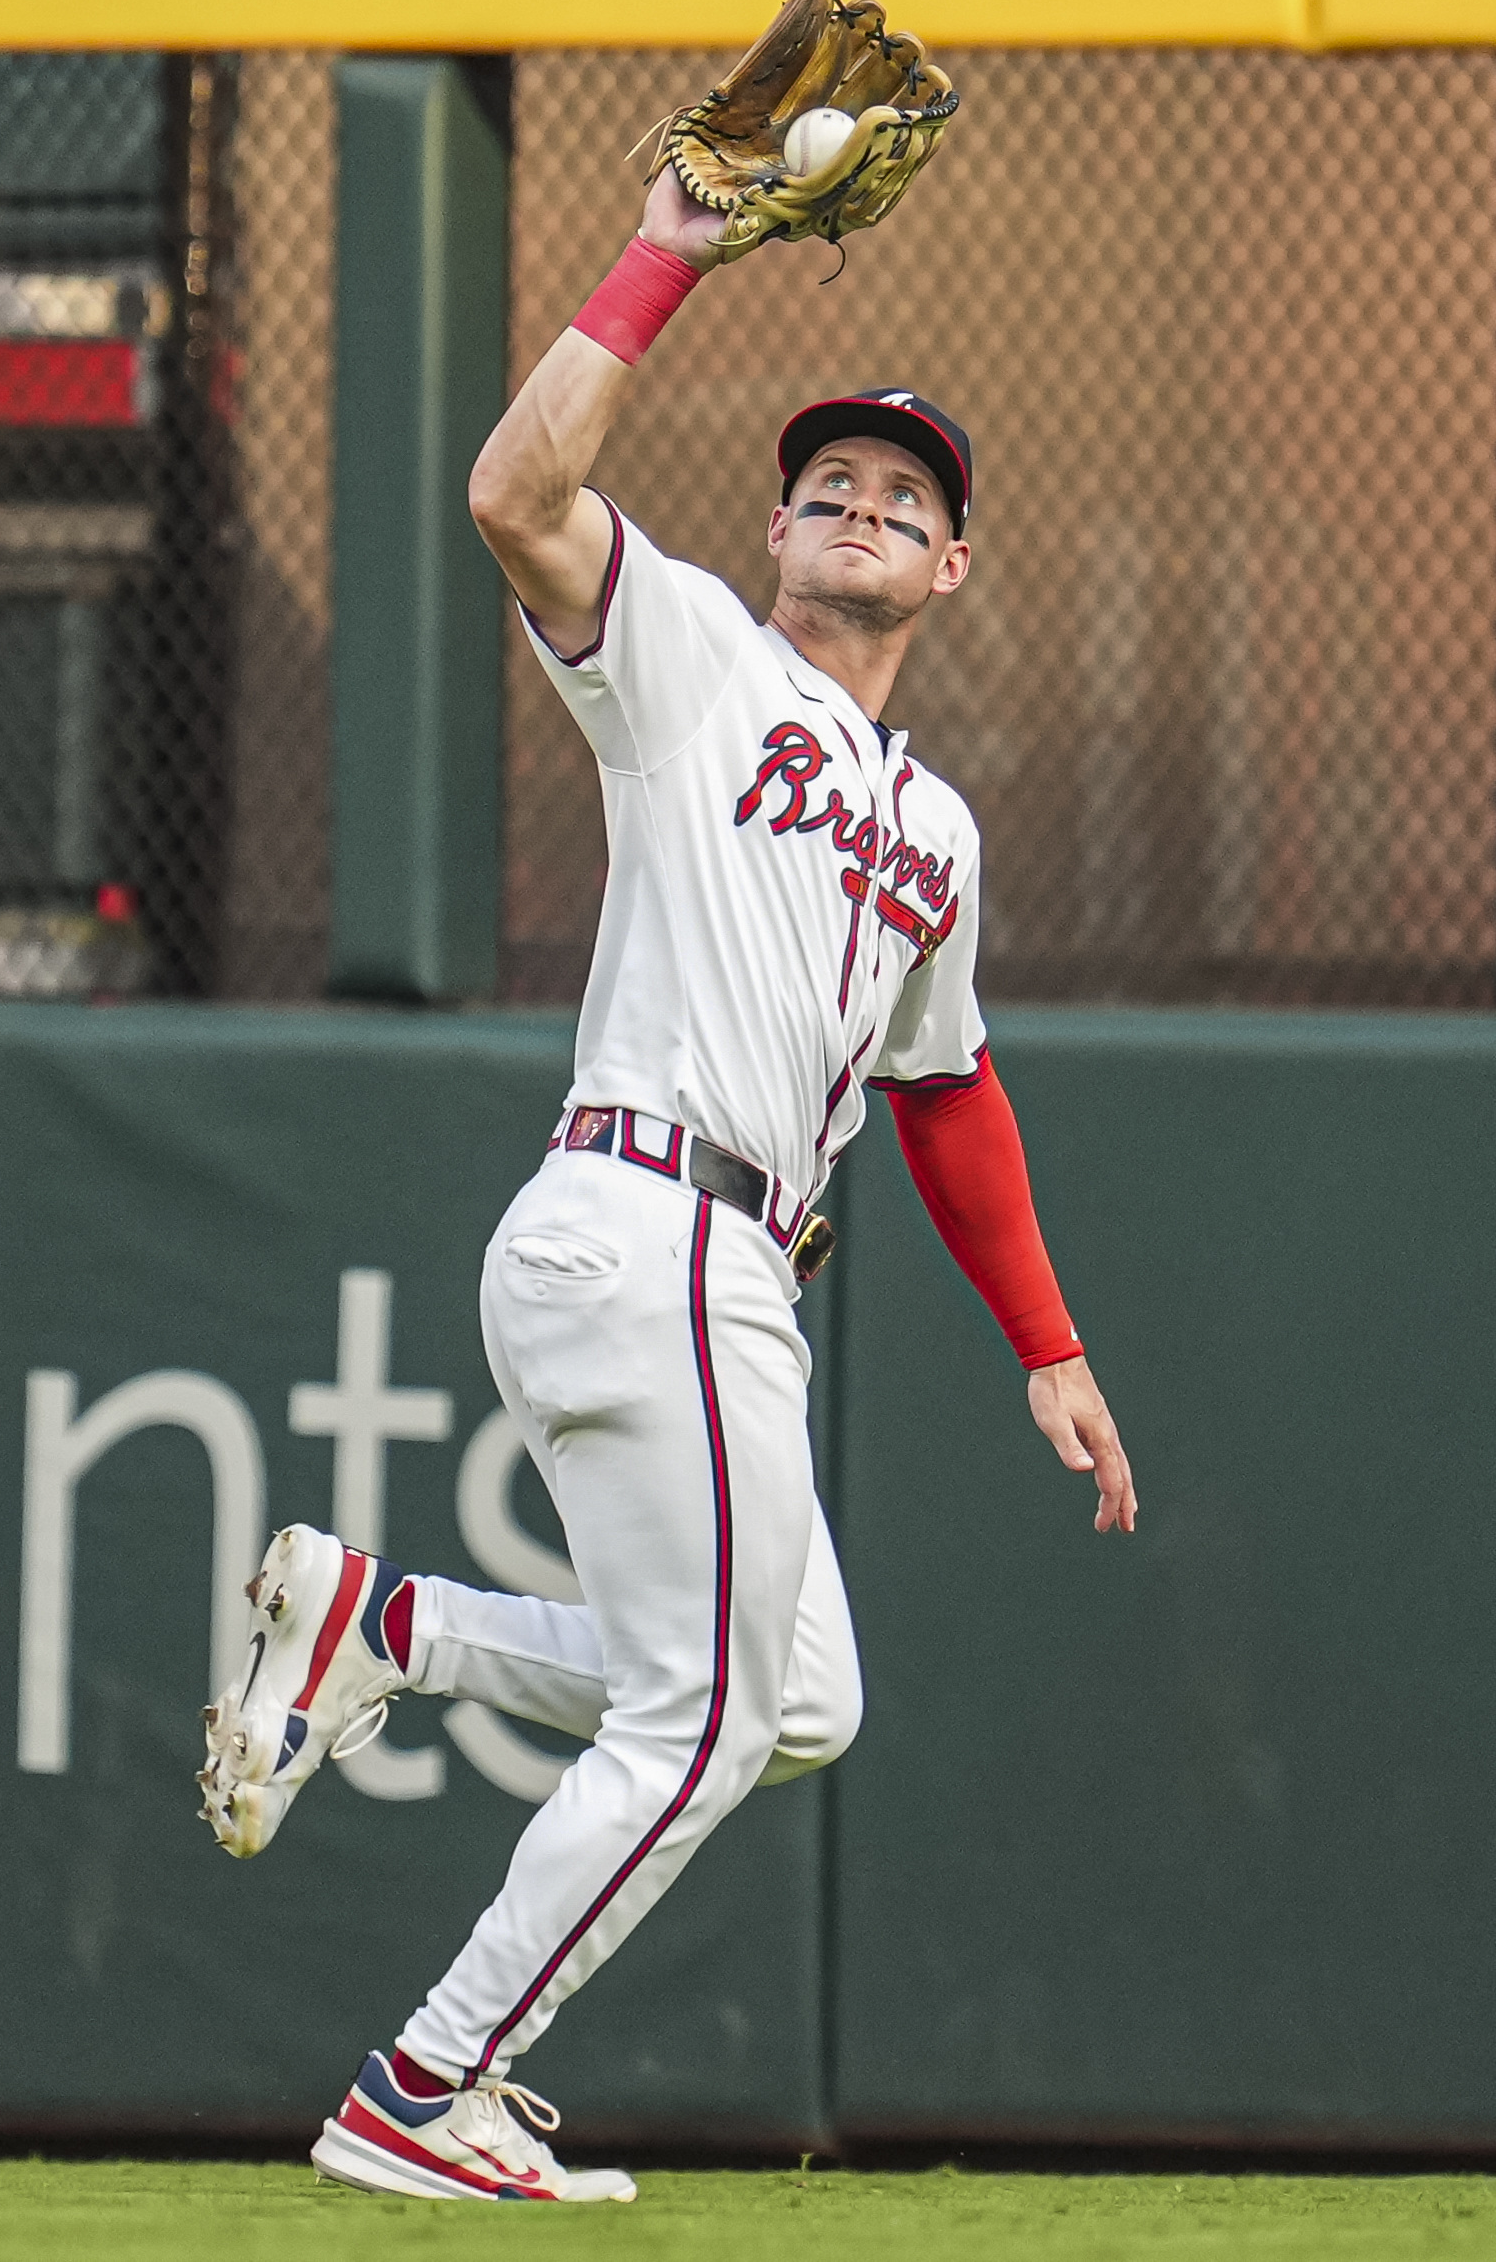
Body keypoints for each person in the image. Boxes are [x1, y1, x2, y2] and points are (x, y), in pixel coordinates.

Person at [198, 165, 1137, 2207]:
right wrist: (672, 254)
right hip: (648, 1221)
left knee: (797, 1694)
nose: (864, 505)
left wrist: (1047, 1345)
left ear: (955, 566)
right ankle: (428, 2080)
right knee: (706, 1721)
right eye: (831, 483)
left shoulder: (938, 829)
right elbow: (516, 497)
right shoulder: (697, 657)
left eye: (906, 495)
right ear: (778, 528)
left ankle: (389, 1619)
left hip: (706, 1262)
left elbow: (948, 1086)